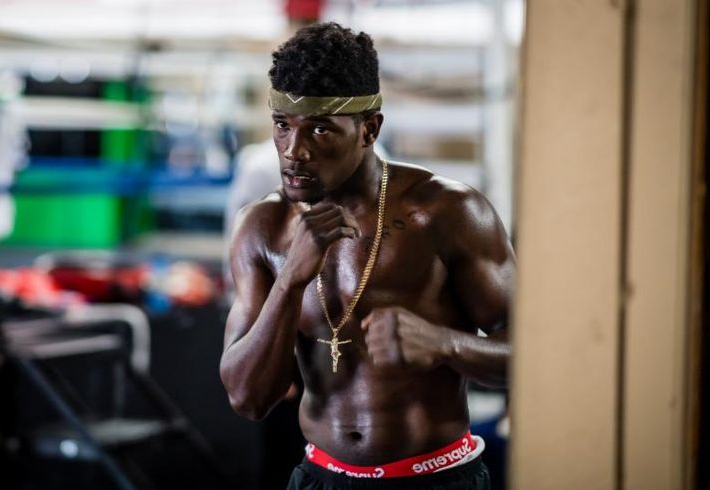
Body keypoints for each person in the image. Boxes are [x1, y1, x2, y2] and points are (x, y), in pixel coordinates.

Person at [220, 22, 514, 489]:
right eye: (282, 126)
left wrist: (445, 344)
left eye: (319, 129)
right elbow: (247, 398)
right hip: (319, 477)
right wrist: (291, 281)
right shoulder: (263, 228)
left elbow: (534, 357)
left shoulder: (447, 212)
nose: (294, 151)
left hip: (436, 480)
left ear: (369, 129)